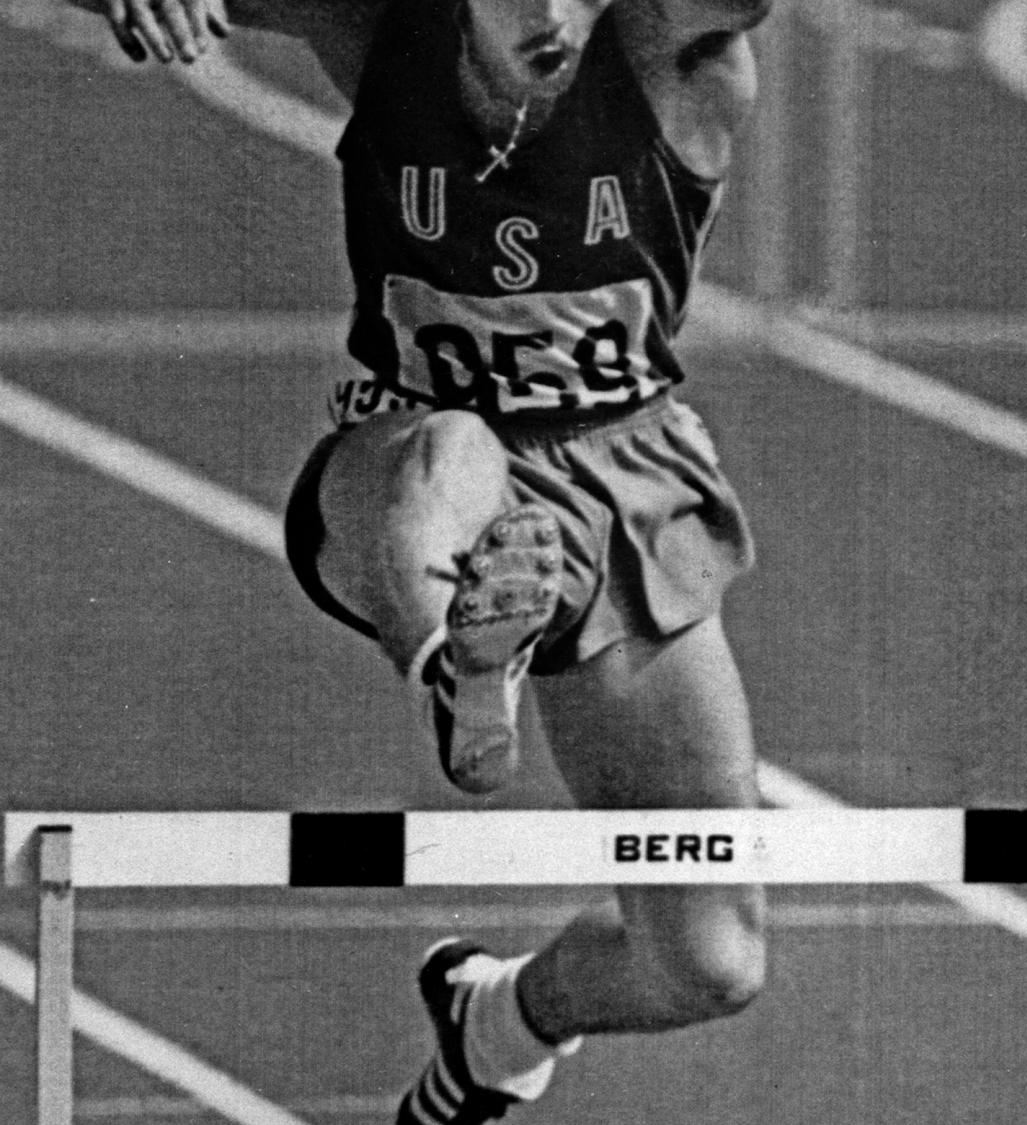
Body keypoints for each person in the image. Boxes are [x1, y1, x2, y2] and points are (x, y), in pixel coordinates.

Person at [100, 0, 774, 1120]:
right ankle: (459, 667)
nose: (554, 15)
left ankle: (498, 1021)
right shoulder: (378, 32)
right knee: (462, 452)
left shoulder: (670, 49)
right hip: (404, 475)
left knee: (708, 963)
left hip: (625, 495)